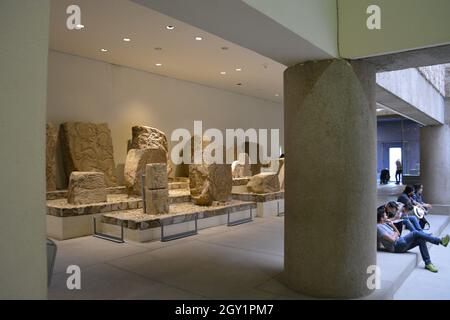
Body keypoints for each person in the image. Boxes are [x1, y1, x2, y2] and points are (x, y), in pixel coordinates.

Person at [377, 209, 449, 273]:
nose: (387, 216)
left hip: (400, 242)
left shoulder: (385, 224)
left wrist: (392, 226)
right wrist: (395, 234)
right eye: (385, 215)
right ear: (381, 218)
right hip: (396, 246)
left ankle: (428, 263)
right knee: (415, 233)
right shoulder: (378, 228)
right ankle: (440, 241)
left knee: (421, 239)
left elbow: (398, 233)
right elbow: (392, 240)